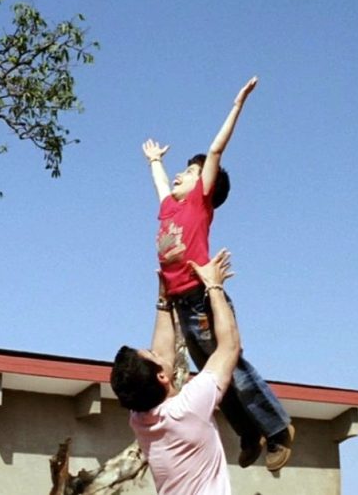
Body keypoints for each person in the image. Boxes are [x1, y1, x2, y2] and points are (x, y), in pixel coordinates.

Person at [141, 76, 294, 471]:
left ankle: (277, 430)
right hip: (180, 304)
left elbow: (215, 148)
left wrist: (237, 105)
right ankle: (248, 433)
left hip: (201, 298)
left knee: (232, 365)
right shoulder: (168, 208)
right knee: (211, 375)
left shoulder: (197, 204)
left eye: (189, 173)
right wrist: (156, 161)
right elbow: (160, 182)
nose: (180, 175)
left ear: (203, 185)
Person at [111, 249, 239, 494]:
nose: (157, 351)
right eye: (153, 355)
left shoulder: (140, 419)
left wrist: (164, 300)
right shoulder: (189, 408)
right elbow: (229, 347)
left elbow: (163, 356)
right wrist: (214, 286)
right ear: (161, 376)